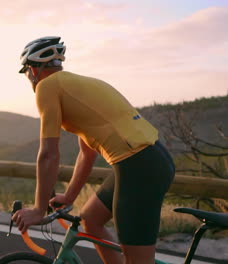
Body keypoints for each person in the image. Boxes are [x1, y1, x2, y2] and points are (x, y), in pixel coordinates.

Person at [12, 36, 175, 264]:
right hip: (149, 160)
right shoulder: (77, 85)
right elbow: (87, 153)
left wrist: (39, 209)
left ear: (33, 69)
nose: (29, 78)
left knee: (138, 261)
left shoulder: (46, 87)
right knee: (90, 219)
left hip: (138, 166)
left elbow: (48, 153)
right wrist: (69, 196)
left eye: (26, 72)